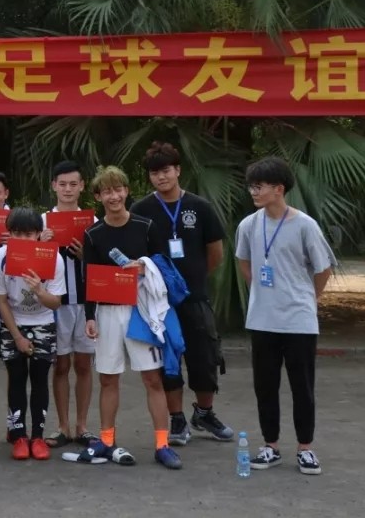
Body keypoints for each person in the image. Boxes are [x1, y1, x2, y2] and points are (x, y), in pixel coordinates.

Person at [68, 166, 178, 469]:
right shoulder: (93, 234)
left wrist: (143, 267)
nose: (114, 196)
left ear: (127, 191)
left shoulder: (146, 226)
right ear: (98, 196)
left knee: (152, 378)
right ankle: (106, 441)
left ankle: (162, 445)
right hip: (107, 311)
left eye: (118, 189)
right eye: (107, 191)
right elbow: (89, 278)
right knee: (108, 379)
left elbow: (164, 264)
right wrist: (90, 316)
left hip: (142, 309)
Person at [236, 157, 335, 476]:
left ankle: (305, 448)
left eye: (259, 186)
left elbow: (323, 268)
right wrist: (261, 292)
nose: (254, 192)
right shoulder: (249, 225)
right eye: (251, 186)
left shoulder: (305, 225)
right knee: (265, 386)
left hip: (298, 321)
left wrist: (308, 298)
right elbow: (244, 261)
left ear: (279, 189)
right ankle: (271, 445)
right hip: (262, 320)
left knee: (302, 386)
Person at [130, 143, 232, 446]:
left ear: (177, 170)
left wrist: (191, 281)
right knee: (168, 362)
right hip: (159, 303)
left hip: (195, 296)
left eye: (166, 170)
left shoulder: (200, 207)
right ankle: (176, 419)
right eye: (154, 173)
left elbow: (215, 253)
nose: (161, 177)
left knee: (205, 358)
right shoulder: (141, 210)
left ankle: (205, 413)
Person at [0, 208, 65, 460]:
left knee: (40, 379)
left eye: (29, 234)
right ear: (9, 234)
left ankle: (38, 437)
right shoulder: (0, 258)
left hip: (43, 322)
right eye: (17, 234)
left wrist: (39, 290)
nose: (23, 239)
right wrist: (17, 336)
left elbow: (55, 303)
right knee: (16, 378)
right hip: (12, 323)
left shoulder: (53, 258)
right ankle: (19, 435)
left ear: (39, 234)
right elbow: (0, 301)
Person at [40, 160, 98, 449]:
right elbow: (30, 266)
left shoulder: (93, 221)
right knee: (61, 364)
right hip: (56, 304)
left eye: (73, 184)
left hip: (86, 303)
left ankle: (82, 426)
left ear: (82, 186)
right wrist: (42, 244)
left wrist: (88, 254)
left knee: (84, 364)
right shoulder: (42, 222)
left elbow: (104, 264)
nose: (67, 189)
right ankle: (62, 426)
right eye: (62, 184)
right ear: (54, 186)